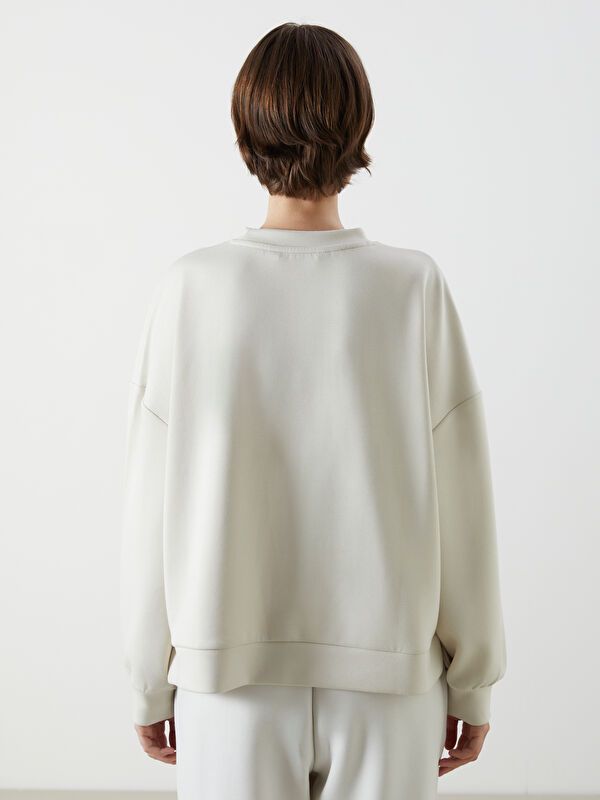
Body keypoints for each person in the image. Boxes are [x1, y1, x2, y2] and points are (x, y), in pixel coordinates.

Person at [119, 21, 507, 799]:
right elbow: (463, 499)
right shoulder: (412, 288)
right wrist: (474, 683)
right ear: (358, 129)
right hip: (389, 684)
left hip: (228, 683)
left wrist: (147, 682)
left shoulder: (192, 289)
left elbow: (151, 506)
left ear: (245, 132)